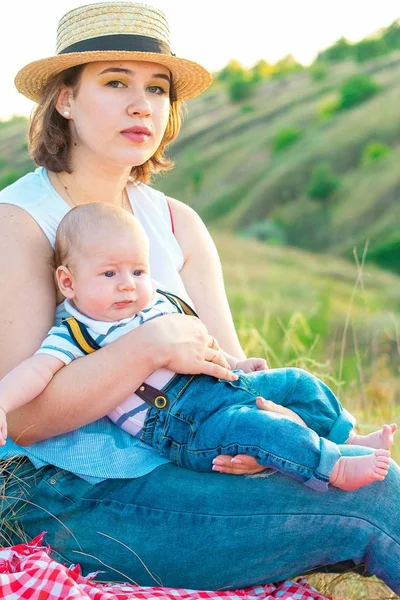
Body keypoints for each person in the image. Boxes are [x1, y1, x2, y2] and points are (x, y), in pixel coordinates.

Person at [0, 1, 399, 593]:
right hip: (71, 495)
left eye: (157, 89)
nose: (142, 105)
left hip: (188, 457)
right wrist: (150, 345)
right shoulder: (21, 222)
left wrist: (258, 434)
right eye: (115, 83)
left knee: (377, 483)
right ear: (64, 98)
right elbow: (26, 420)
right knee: (369, 509)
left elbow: (230, 369)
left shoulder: (176, 222)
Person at [0, 202, 395, 494]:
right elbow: (35, 371)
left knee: (297, 382)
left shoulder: (155, 303)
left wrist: (236, 362)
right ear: (68, 282)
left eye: (138, 271)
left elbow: (201, 344)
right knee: (260, 429)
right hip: (182, 427)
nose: (128, 284)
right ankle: (331, 468)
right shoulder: (77, 332)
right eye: (109, 273)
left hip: (225, 387)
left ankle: (346, 436)